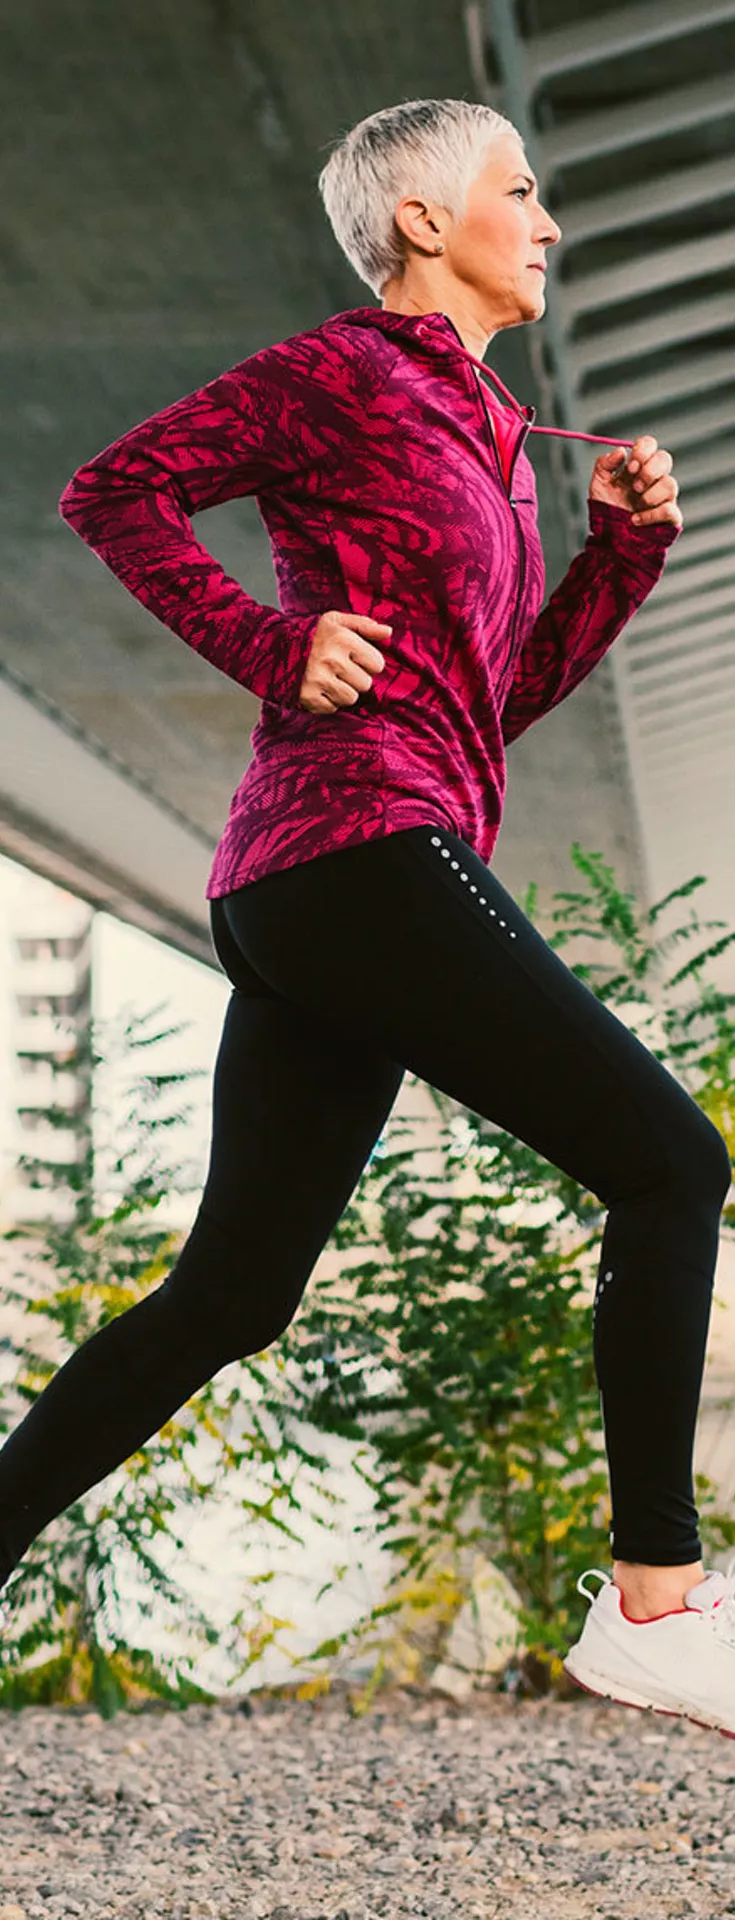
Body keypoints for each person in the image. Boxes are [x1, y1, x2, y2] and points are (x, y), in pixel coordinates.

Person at [2, 98, 733, 1731]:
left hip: (334, 870)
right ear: (422, 221)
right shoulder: (334, 373)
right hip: (354, 847)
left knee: (234, 1292)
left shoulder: (488, 434)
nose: (546, 222)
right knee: (674, 1160)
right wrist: (273, 643)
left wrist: (620, 559)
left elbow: (493, 703)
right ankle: (658, 1603)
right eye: (520, 190)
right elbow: (110, 492)